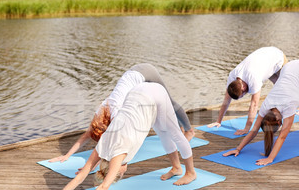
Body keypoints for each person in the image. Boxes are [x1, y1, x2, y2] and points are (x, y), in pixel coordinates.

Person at [34, 82, 197, 190]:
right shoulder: (102, 146)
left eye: (121, 174)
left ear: (118, 170)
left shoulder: (119, 154)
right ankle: (177, 167)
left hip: (153, 94)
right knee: (163, 131)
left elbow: (104, 186)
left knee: (172, 133)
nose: (124, 172)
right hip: (136, 93)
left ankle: (191, 172)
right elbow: (81, 175)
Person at [49, 63, 194, 163]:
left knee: (169, 99)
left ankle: (189, 130)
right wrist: (67, 155)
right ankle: (181, 128)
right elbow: (86, 135)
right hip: (134, 74)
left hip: (145, 72)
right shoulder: (101, 113)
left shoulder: (116, 113)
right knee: (165, 107)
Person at [223, 60, 299, 166]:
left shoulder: (288, 107)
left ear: (279, 122)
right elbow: (253, 131)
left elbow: (282, 137)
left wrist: (270, 158)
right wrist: (238, 149)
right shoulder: (265, 107)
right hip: (289, 70)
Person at [208, 46, 289, 135]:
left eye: (243, 95)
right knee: (279, 87)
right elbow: (226, 101)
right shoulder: (232, 77)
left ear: (243, 88)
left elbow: (254, 105)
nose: (245, 95)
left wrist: (247, 128)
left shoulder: (253, 78)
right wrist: (219, 121)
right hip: (265, 61)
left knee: (288, 87)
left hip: (277, 58)